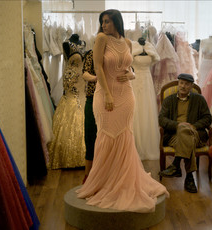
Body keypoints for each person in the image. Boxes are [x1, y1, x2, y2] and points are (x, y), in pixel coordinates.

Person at [76, 9, 169, 213]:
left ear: (117, 22)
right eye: (102, 21)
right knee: (105, 136)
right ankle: (104, 183)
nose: (104, 25)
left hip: (126, 96)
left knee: (125, 136)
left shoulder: (127, 43)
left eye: (108, 21)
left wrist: (132, 76)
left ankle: (123, 182)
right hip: (105, 94)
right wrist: (108, 94)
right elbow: (98, 67)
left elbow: (131, 68)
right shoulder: (101, 39)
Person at [158, 73, 212, 193]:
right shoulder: (169, 100)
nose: (183, 86)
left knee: (186, 133)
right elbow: (161, 119)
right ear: (178, 84)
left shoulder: (199, 99)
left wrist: (193, 126)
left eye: (187, 84)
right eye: (181, 83)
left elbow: (207, 118)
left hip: (196, 134)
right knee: (185, 135)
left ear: (191, 86)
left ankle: (176, 164)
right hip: (174, 135)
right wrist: (178, 125)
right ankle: (189, 178)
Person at [47, 34, 87, 169]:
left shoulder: (83, 43)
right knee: (72, 105)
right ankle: (71, 156)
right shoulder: (67, 44)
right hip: (72, 79)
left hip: (82, 81)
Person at [131, 36, 161, 160]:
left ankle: (147, 146)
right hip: (135, 80)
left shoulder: (150, 47)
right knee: (136, 110)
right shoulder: (132, 47)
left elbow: (155, 60)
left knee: (146, 111)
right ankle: (134, 148)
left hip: (147, 81)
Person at [81, 48, 98, 183]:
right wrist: (98, 79)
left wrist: (131, 74)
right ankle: (88, 175)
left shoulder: (113, 52)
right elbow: (85, 73)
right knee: (90, 135)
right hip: (93, 97)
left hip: (111, 100)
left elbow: (129, 68)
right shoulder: (92, 53)